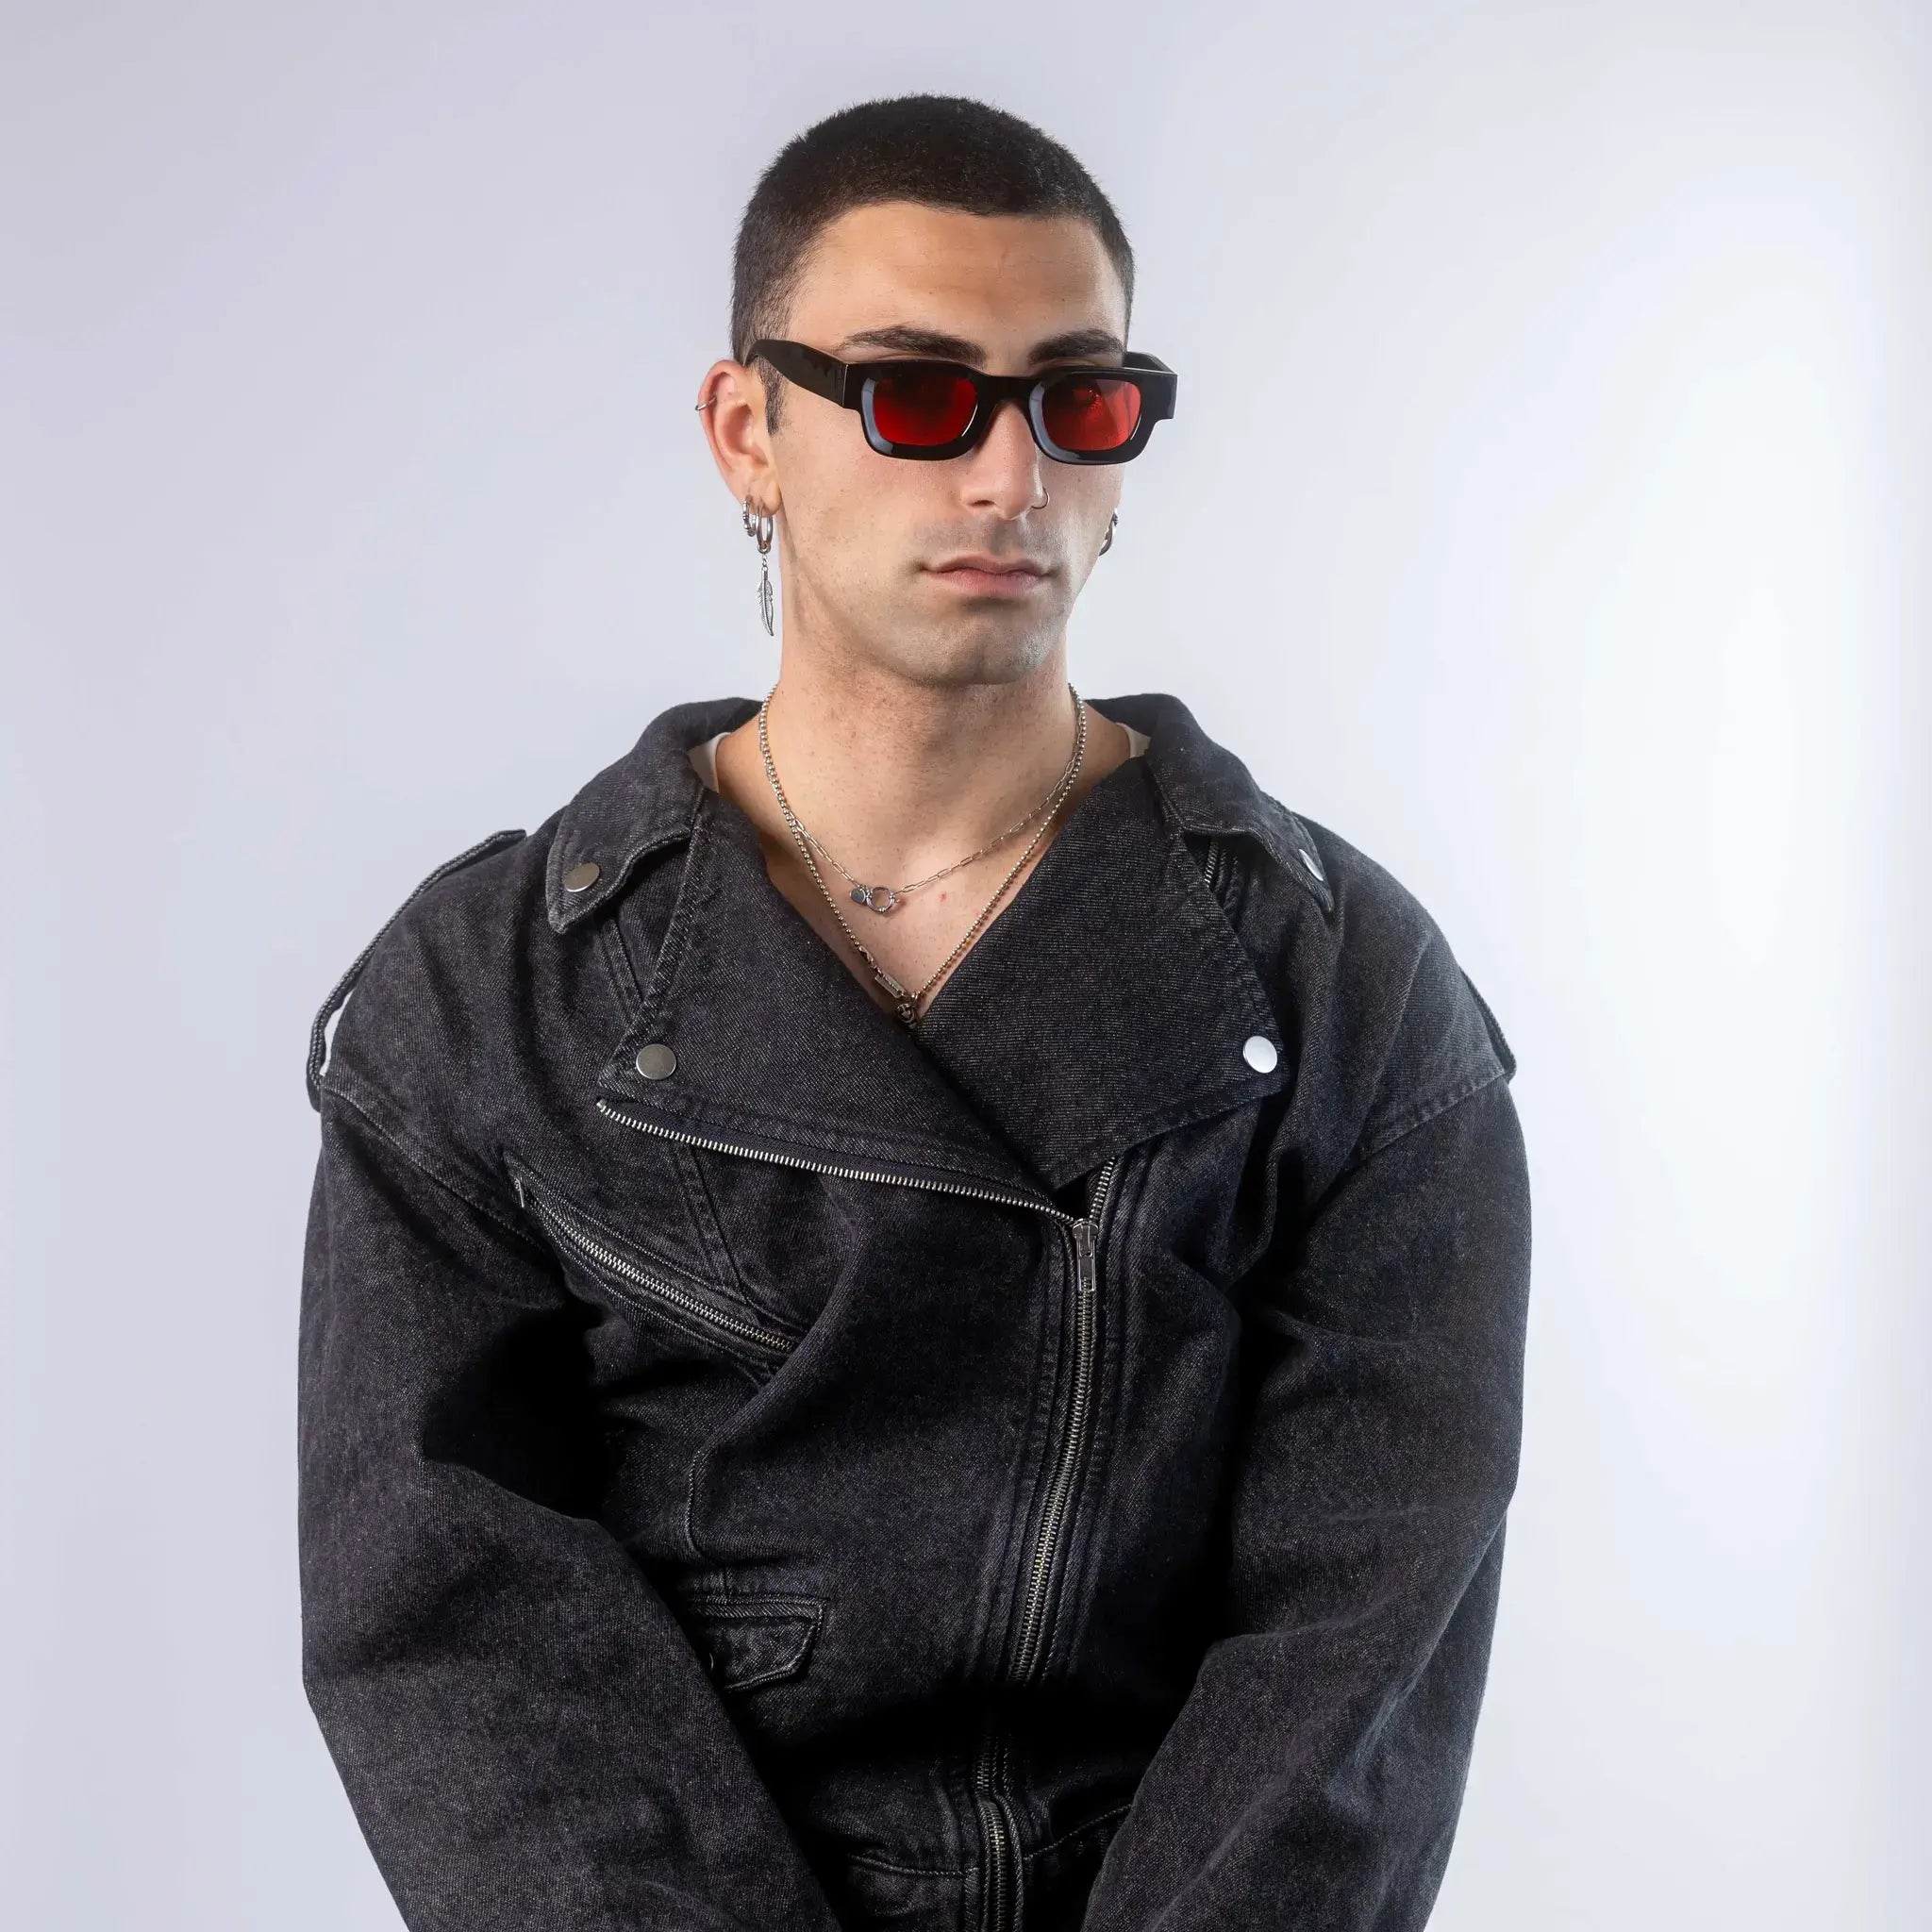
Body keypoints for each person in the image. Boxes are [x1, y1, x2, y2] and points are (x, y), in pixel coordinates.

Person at [297, 92, 1532, 1932]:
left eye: (1077, 398)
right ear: (751, 432)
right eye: (918, 392)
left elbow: (1352, 1671)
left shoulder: (1349, 993)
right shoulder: (488, 999)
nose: (1007, 475)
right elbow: (457, 1637)